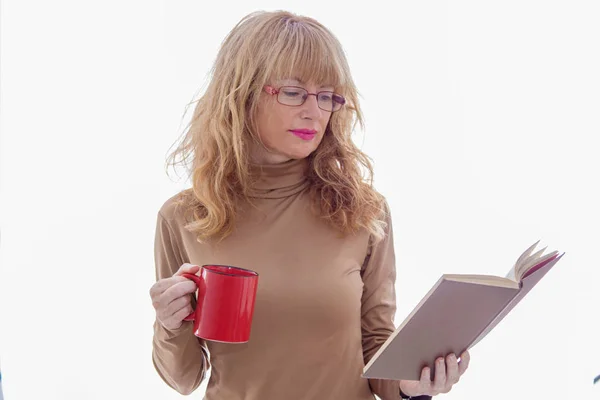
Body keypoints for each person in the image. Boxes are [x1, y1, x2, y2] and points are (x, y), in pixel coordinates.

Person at [149, 9, 470, 400]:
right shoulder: (185, 217)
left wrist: (410, 384)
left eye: (327, 96)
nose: (313, 111)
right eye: (293, 91)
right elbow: (184, 378)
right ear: (242, 94)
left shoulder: (363, 212)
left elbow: (376, 348)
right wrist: (169, 325)